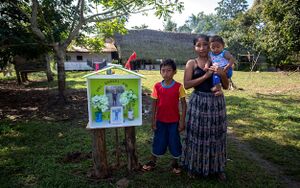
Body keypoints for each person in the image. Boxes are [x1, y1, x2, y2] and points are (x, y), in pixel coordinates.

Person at [180, 34, 229, 181]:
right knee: (196, 135)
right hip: (198, 102)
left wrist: (222, 74)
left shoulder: (217, 60)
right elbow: (187, 85)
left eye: (205, 45)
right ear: (194, 47)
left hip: (216, 103)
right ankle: (194, 167)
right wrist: (205, 76)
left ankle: (217, 168)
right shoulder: (191, 63)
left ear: (210, 45)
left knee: (217, 135)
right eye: (198, 45)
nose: (202, 48)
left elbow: (225, 86)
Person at [142, 59, 187, 174]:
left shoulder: (179, 86)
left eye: (169, 70)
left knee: (174, 141)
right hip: (160, 121)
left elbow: (183, 104)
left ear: (174, 72)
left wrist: (182, 122)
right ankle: (153, 161)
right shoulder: (157, 86)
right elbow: (154, 104)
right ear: (160, 72)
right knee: (158, 140)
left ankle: (175, 163)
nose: (166, 73)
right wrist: (153, 121)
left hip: (174, 122)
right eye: (163, 70)